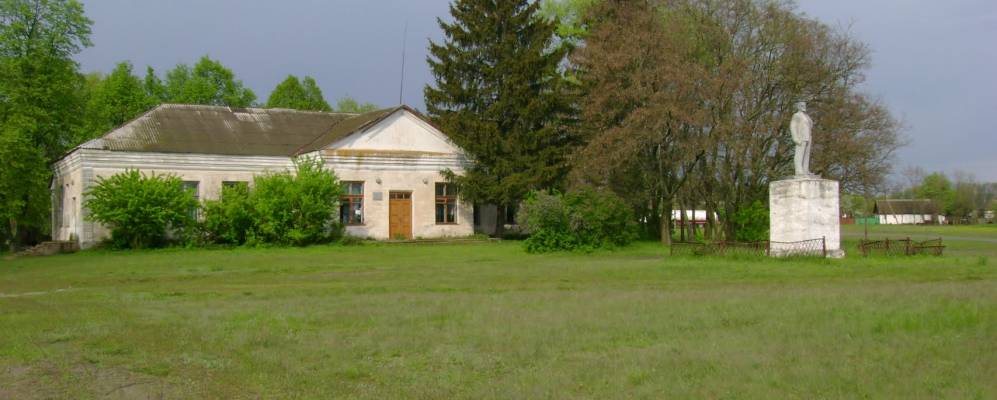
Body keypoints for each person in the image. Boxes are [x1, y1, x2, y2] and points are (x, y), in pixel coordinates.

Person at [789, 101, 813, 176]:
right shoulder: (796, 115)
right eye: (802, 105)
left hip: (808, 136)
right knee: (799, 154)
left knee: (806, 154)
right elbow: (792, 126)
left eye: (804, 105)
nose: (803, 106)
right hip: (801, 136)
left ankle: (805, 170)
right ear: (798, 106)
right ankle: (799, 170)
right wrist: (795, 137)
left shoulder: (807, 116)